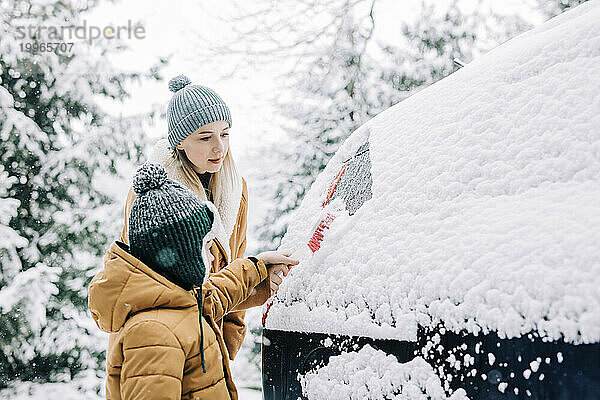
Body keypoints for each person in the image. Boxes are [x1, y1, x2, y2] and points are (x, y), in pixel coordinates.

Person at [88, 162, 298, 399]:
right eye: (207, 248)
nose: (211, 256)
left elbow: (216, 294)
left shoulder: (174, 300)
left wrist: (257, 268)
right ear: (181, 254)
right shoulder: (153, 332)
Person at [119, 74, 289, 361]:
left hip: (213, 342)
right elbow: (148, 287)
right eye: (205, 136)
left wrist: (229, 340)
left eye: (224, 134)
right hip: (166, 345)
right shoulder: (152, 196)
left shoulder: (237, 189)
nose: (219, 147)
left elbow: (234, 260)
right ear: (180, 143)